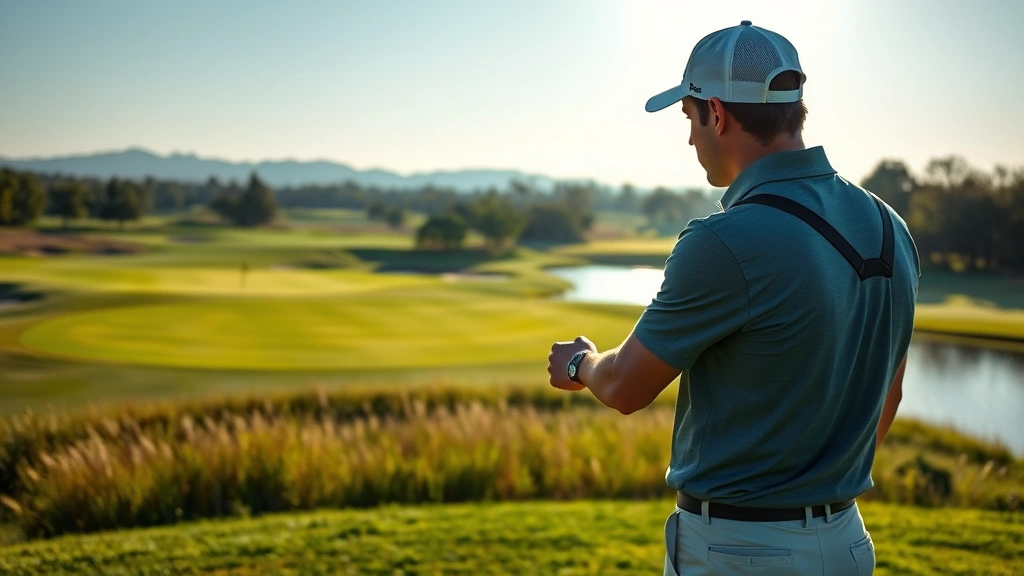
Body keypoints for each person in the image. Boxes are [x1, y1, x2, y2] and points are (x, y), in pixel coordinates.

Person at [546, 20, 919, 575]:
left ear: (715, 114)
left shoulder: (724, 239)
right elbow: (887, 394)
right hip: (847, 544)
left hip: (741, 554)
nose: (690, 138)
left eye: (689, 119)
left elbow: (625, 386)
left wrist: (580, 361)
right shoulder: (891, 227)